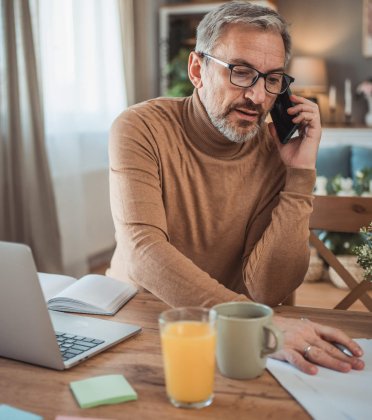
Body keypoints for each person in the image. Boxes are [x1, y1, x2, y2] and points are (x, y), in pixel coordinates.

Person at [107, 1, 364, 375]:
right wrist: (254, 322)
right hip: (141, 318)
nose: (258, 97)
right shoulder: (140, 128)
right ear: (198, 69)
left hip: (238, 333)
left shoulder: (277, 149)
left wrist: (299, 173)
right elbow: (142, 250)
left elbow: (268, 290)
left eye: (272, 79)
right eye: (241, 72)